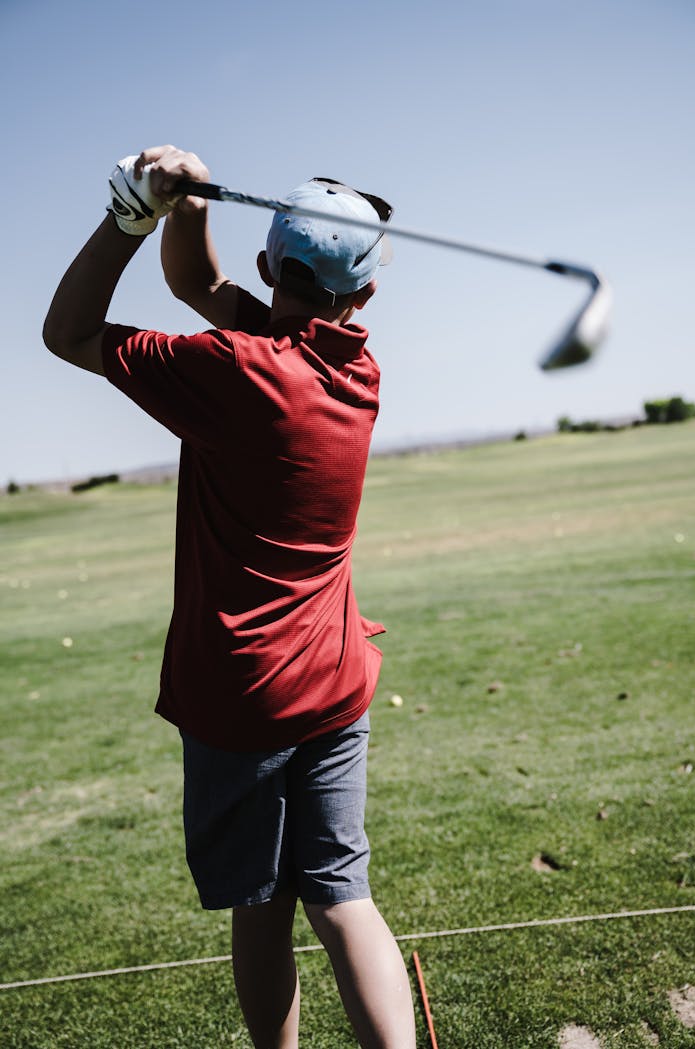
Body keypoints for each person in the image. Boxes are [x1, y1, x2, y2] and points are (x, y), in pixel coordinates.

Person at [43, 145, 416, 1049]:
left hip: (243, 693)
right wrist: (191, 204)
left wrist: (132, 211)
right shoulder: (351, 367)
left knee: (262, 904)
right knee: (342, 896)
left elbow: (69, 332)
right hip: (334, 679)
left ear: (267, 266)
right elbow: (197, 284)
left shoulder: (237, 371)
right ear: (360, 300)